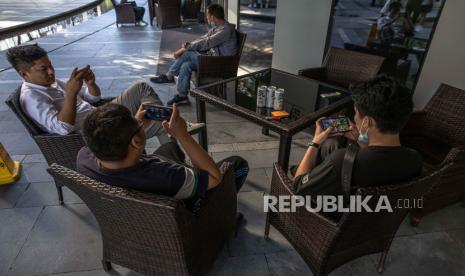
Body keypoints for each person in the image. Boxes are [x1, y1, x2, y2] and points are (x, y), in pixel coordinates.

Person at [6, 44, 202, 141]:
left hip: (101, 114)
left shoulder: (52, 82)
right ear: (24, 74)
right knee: (161, 126)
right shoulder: (32, 97)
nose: (51, 72)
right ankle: (174, 142)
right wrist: (71, 94)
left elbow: (94, 98)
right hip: (96, 131)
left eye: (50, 65)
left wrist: (90, 83)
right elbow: (62, 128)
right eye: (43, 69)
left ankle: (165, 120)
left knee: (141, 88)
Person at [77, 103, 249, 211]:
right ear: (136, 142)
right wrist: (183, 135)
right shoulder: (167, 175)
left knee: (169, 146)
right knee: (239, 164)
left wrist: (131, 127)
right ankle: (223, 211)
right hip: (179, 204)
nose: (138, 122)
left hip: (137, 203)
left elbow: (125, 153)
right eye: (136, 123)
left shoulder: (83, 158)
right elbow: (214, 177)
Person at [292, 75, 422, 201]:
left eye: (356, 113)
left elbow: (298, 187)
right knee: (331, 145)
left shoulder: (342, 160)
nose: (354, 118)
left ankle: (307, 173)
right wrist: (361, 139)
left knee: (322, 151)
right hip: (371, 215)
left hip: (332, 214)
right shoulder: (414, 159)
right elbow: (380, 162)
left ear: (367, 122)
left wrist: (314, 143)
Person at [150, 4, 237, 106]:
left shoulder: (225, 30)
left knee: (188, 54)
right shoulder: (217, 28)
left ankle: (169, 76)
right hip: (212, 59)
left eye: (207, 15)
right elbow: (203, 38)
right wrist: (188, 45)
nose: (206, 17)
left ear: (212, 17)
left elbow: (207, 42)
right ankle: (182, 96)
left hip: (221, 63)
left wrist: (184, 49)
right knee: (185, 65)